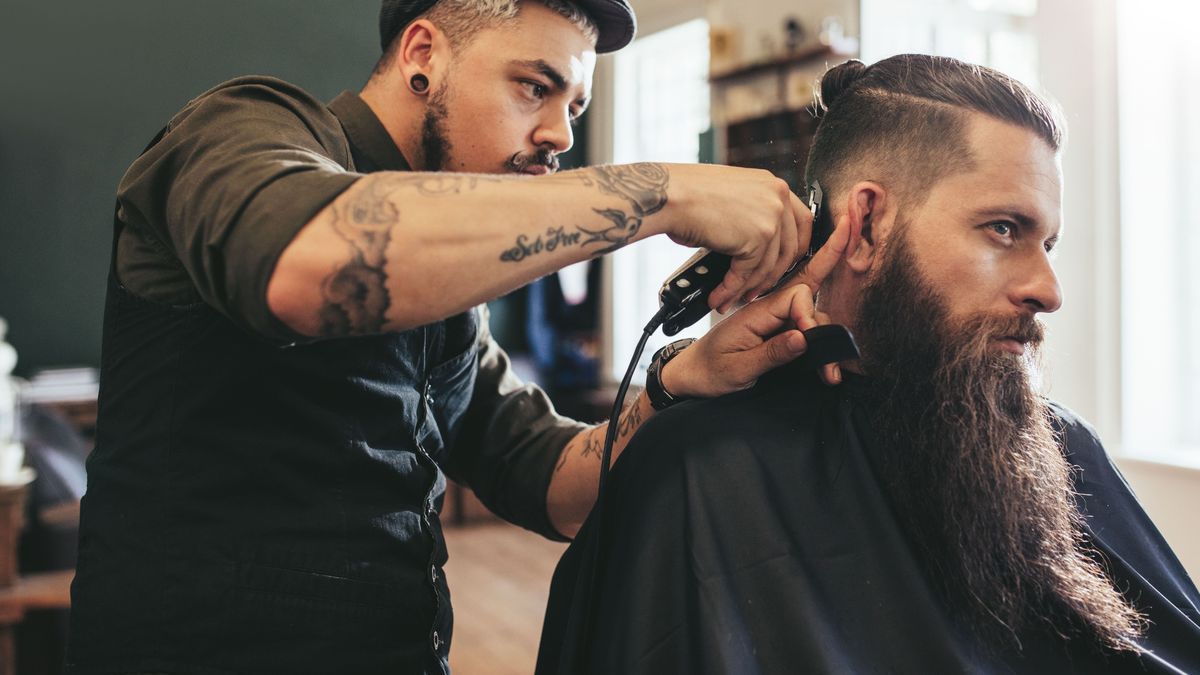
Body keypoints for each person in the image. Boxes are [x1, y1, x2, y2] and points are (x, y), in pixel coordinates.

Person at [64, 1, 848, 673]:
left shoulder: (451, 307)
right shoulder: (241, 126)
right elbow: (309, 266)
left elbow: (549, 479)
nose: (558, 134)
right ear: (423, 54)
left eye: (573, 107)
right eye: (534, 86)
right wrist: (663, 190)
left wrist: (680, 382)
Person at [536, 54, 1200, 674]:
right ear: (870, 223)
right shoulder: (698, 470)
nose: (1048, 290)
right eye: (1004, 229)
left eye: (1048, 242)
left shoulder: (1064, 448)